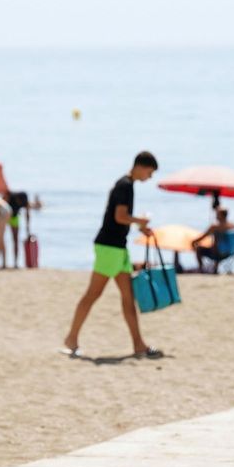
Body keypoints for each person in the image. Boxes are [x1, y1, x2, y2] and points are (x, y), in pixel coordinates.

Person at [62, 151, 163, 359]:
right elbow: (119, 216)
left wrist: (139, 228)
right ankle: (71, 338)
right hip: (109, 247)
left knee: (128, 298)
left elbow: (118, 219)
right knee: (93, 294)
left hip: (118, 247)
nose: (149, 177)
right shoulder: (124, 185)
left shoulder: (127, 185)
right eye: (150, 173)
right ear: (141, 166)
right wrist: (140, 222)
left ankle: (139, 345)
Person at [192, 207, 234, 273]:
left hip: (217, 253)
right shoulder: (232, 226)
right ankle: (215, 268)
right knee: (218, 246)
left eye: (217, 214)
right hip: (231, 253)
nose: (216, 215)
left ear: (221, 215)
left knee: (199, 248)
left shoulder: (215, 227)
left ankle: (201, 268)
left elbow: (202, 237)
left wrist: (193, 241)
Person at [4, 190, 32, 268]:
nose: (20, 204)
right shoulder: (9, 196)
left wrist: (28, 228)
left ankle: (15, 263)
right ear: (16, 198)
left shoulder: (25, 202)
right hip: (4, 216)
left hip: (14, 218)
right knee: (0, 238)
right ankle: (3, 262)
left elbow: (28, 214)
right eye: (19, 201)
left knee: (16, 240)